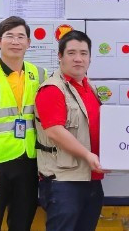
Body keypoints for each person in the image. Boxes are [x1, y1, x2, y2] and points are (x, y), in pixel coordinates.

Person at [0, 16, 46, 231]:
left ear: (29, 43)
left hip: (29, 161)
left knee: (22, 223)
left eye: (21, 37)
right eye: (9, 36)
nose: (15, 42)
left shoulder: (39, 74)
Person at [34, 30, 105, 231]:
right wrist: (87, 155)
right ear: (60, 56)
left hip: (90, 178)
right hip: (64, 182)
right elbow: (55, 131)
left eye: (83, 53)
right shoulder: (52, 89)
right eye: (72, 53)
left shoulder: (88, 87)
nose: (78, 59)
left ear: (90, 57)